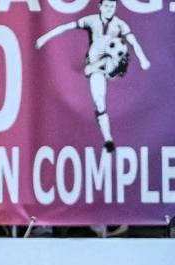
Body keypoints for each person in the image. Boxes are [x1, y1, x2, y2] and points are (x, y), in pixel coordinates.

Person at [36, 0, 150, 153]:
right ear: (100, 7)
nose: (110, 9)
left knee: (116, 58)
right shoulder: (91, 21)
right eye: (107, 6)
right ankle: (108, 139)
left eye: (112, 6)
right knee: (99, 103)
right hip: (96, 66)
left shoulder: (120, 25)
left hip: (111, 63)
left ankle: (116, 67)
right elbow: (67, 27)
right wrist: (44, 38)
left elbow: (133, 42)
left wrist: (143, 59)